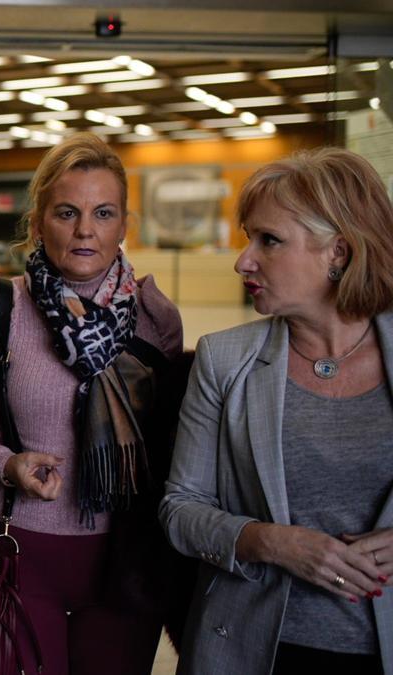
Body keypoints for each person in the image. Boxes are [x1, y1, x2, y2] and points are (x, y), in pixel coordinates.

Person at [0, 132, 184, 675]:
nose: (86, 229)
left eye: (104, 212)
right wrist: (6, 463)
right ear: (40, 219)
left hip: (124, 559)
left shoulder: (155, 317)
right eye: (67, 212)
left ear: (123, 224)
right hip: (17, 551)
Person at [160, 148, 393, 675]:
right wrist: (270, 542)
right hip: (256, 647)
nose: (243, 260)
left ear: (338, 250)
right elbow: (181, 509)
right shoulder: (225, 360)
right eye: (249, 238)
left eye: (269, 240)